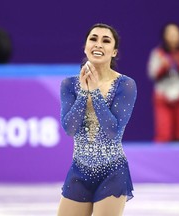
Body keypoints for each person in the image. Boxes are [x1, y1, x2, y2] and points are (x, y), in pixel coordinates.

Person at [57, 23, 137, 216]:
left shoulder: (125, 85)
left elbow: (112, 131)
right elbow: (69, 129)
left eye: (106, 41)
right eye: (93, 39)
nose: (98, 44)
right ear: (85, 47)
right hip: (79, 171)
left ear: (114, 52)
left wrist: (95, 91)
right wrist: (84, 94)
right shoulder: (69, 84)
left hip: (112, 172)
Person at [148, 23, 179, 142]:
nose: (173, 37)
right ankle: (160, 160)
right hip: (162, 96)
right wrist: (164, 67)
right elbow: (152, 74)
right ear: (164, 36)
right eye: (169, 34)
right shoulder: (158, 54)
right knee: (163, 135)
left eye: (175, 34)